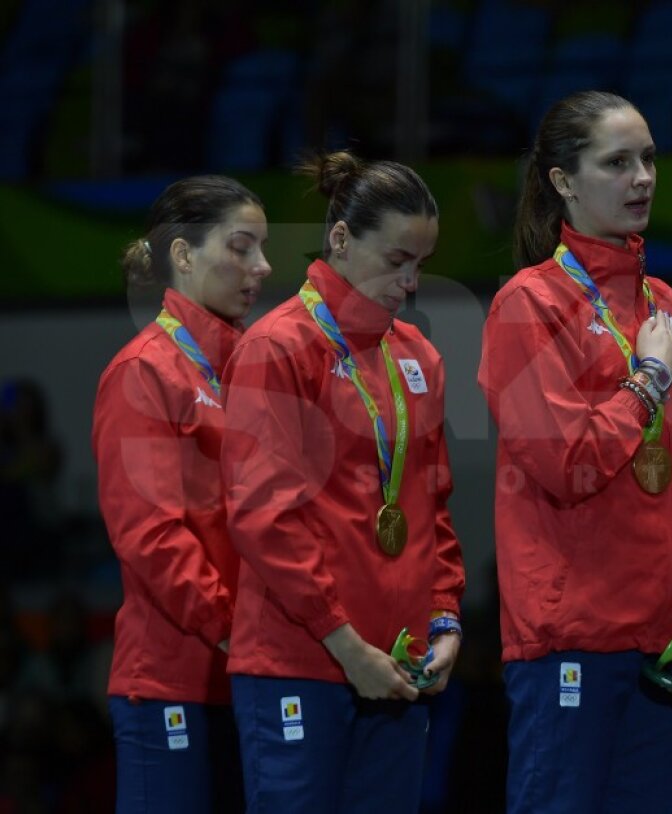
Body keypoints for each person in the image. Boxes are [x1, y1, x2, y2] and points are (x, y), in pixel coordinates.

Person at [477, 90, 672, 813]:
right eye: (618, 162)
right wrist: (649, 380)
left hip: (668, 638)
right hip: (573, 634)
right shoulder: (527, 306)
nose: (643, 178)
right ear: (564, 181)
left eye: (649, 159)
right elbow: (567, 462)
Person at [220, 151, 465, 814]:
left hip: (401, 663)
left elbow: (431, 506)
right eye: (395, 261)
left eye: (419, 264)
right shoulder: (277, 349)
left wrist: (444, 618)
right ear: (340, 240)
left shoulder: (420, 358)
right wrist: (343, 642)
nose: (409, 282)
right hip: (300, 660)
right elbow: (262, 516)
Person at [92, 175, 271, 813]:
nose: (263, 266)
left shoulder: (252, 367)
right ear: (184, 256)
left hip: (252, 676)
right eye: (243, 247)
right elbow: (149, 533)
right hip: (174, 679)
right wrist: (235, 628)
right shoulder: (144, 372)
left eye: (264, 249)